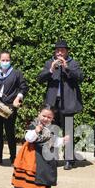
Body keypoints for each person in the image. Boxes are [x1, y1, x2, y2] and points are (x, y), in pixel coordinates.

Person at [37, 39, 84, 170]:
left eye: (62, 50)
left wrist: (67, 68)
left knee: (68, 130)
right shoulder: (49, 63)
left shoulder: (73, 63)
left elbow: (80, 77)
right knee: (52, 130)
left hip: (68, 103)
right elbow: (39, 79)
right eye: (57, 50)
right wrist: (51, 70)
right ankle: (53, 157)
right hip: (52, 103)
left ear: (66, 51)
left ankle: (69, 159)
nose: (59, 53)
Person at [11, 106, 69, 188]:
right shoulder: (34, 125)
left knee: (38, 174)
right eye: (44, 116)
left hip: (44, 154)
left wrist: (62, 140)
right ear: (39, 114)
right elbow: (28, 138)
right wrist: (36, 131)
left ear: (52, 118)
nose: (46, 119)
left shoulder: (50, 128)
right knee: (39, 174)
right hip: (32, 154)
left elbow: (53, 140)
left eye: (49, 117)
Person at [0, 50, 29, 166]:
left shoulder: (16, 74)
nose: (5, 62)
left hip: (10, 107)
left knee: (10, 133)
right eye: (3, 60)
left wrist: (18, 98)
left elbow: (23, 87)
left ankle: (13, 159)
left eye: (7, 60)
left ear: (10, 61)